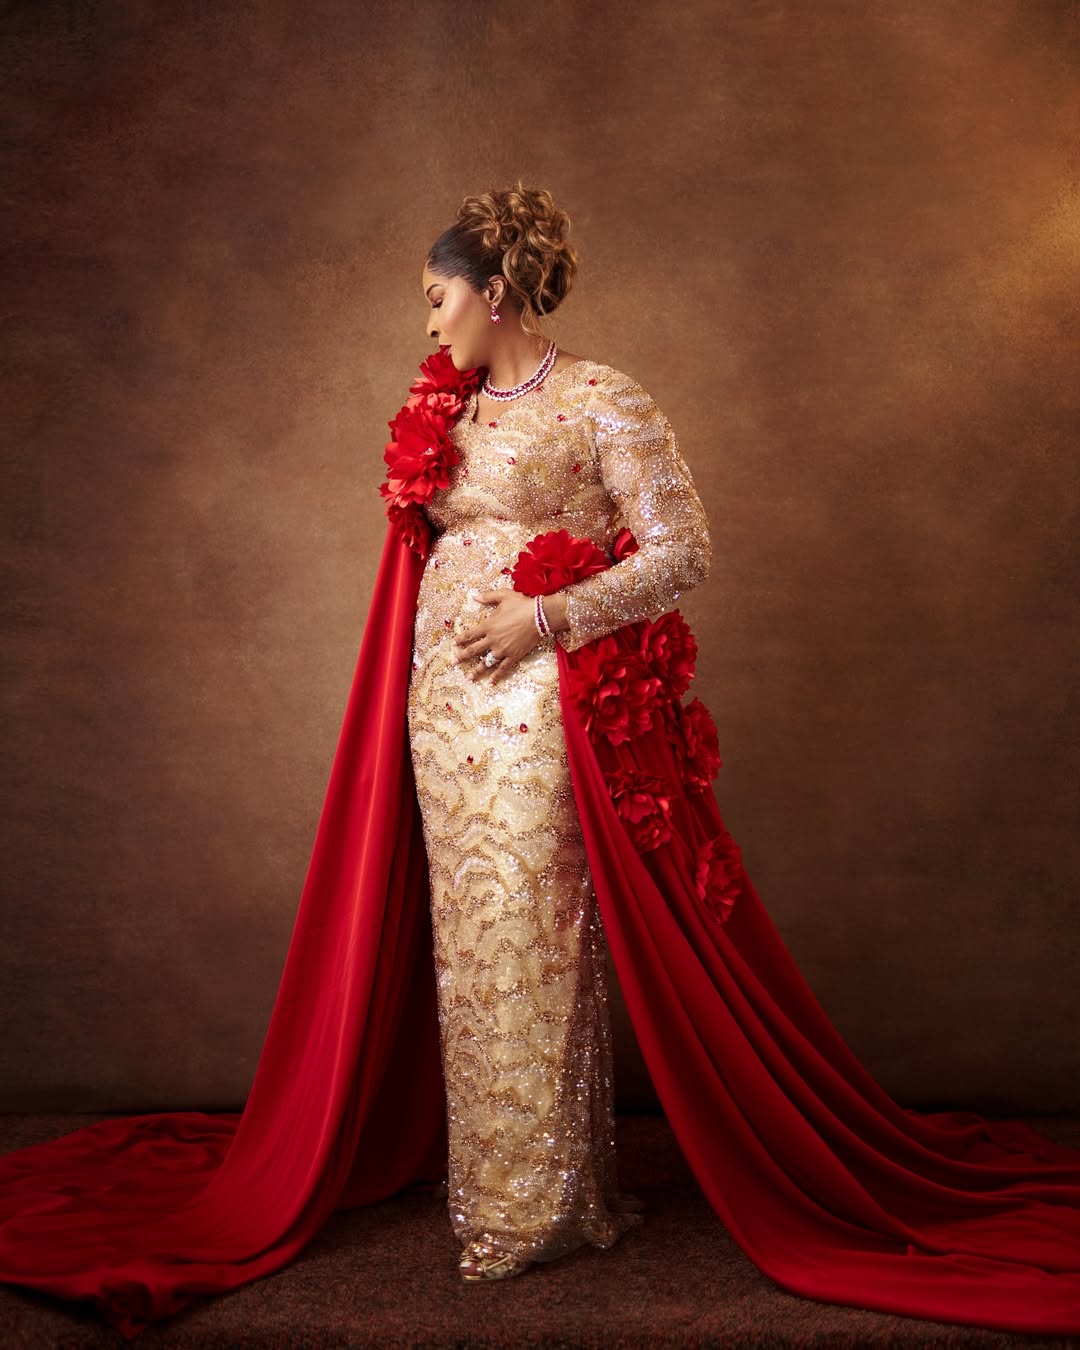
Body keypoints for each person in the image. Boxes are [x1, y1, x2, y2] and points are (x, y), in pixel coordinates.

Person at [1, 182, 1079, 1337]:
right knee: (465, 937)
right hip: (442, 712)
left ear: (494, 290)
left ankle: (544, 1207)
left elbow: (685, 551)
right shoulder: (446, 409)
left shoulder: (606, 399)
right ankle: (498, 1189)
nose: (428, 324)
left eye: (437, 297)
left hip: (533, 709)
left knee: (532, 928)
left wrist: (544, 624)